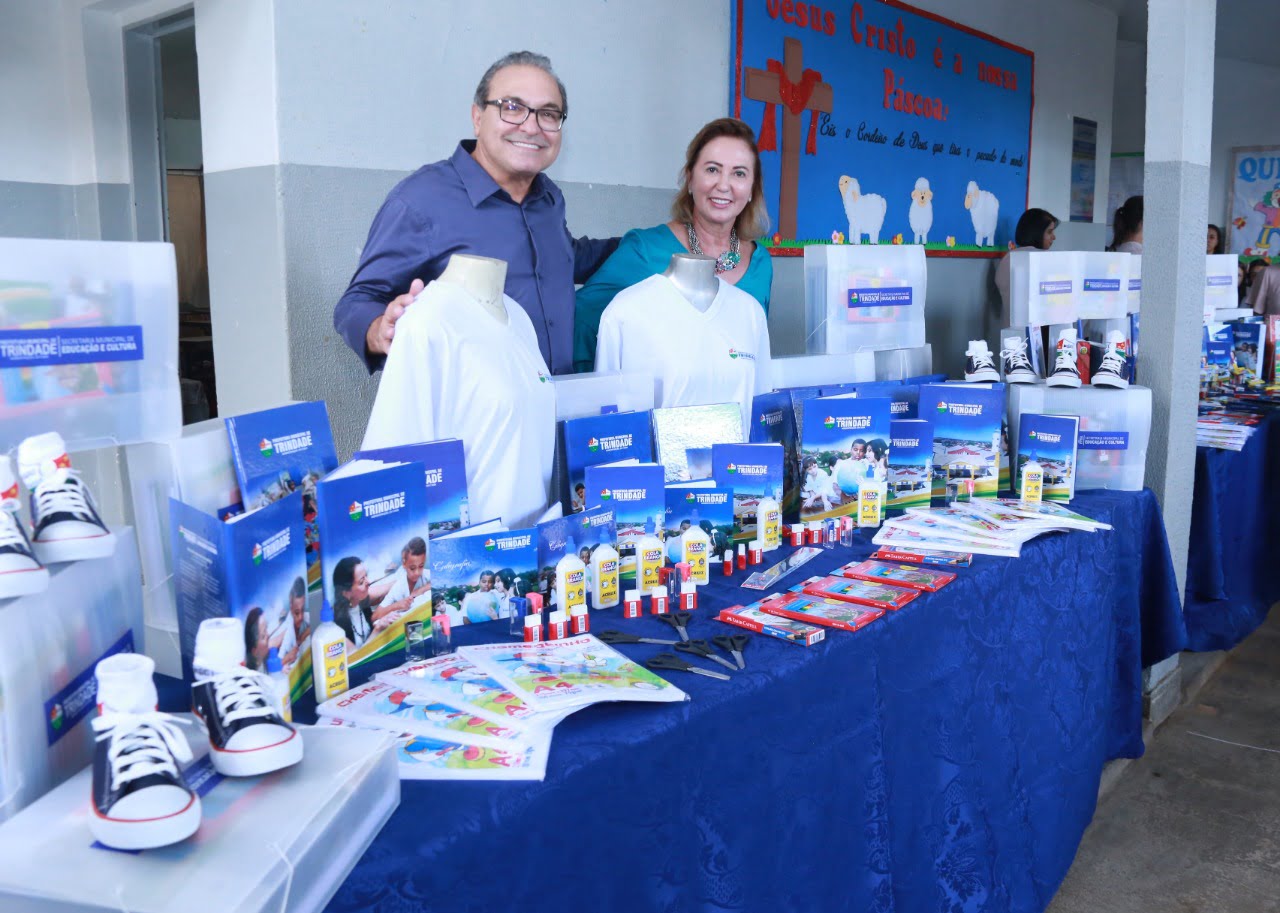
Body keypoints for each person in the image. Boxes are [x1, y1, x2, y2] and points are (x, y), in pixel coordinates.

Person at [333, 51, 618, 376]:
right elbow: (357, 301)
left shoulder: (548, 198)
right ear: (478, 117)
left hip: (555, 399)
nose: (531, 126)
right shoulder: (421, 200)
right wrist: (378, 329)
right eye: (512, 108)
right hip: (469, 406)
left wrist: (653, 242)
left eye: (549, 114)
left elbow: (565, 256)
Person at [573, 117, 774, 371]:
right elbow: (580, 323)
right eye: (712, 170)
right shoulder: (644, 250)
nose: (724, 185)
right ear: (690, 179)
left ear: (752, 189)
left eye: (739, 173)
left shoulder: (760, 263)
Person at [994, 208, 1058, 326]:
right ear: (1036, 232)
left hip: (1009, 331)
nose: (1054, 237)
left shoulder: (1008, 258)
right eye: (1049, 232)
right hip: (1039, 332)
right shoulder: (1044, 259)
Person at [332, 556, 407, 650]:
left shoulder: (362, 599)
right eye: (361, 582)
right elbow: (357, 656)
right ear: (346, 592)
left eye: (366, 576)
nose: (368, 582)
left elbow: (389, 586)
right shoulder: (337, 626)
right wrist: (377, 629)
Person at [378, 537, 430, 617]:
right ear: (404, 564)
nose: (417, 573)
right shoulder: (398, 586)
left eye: (421, 566)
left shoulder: (426, 575)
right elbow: (375, 615)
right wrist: (396, 606)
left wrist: (421, 590)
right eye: (412, 568)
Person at [277, 576, 311, 668]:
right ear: (291, 606)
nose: (300, 617)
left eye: (302, 610)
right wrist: (287, 658)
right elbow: (277, 663)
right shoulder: (286, 630)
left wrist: (302, 636)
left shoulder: (306, 618)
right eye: (296, 612)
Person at [243, 606, 270, 672]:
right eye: (263, 636)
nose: (268, 635)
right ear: (254, 651)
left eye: (266, 628)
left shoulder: (264, 655)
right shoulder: (253, 674)